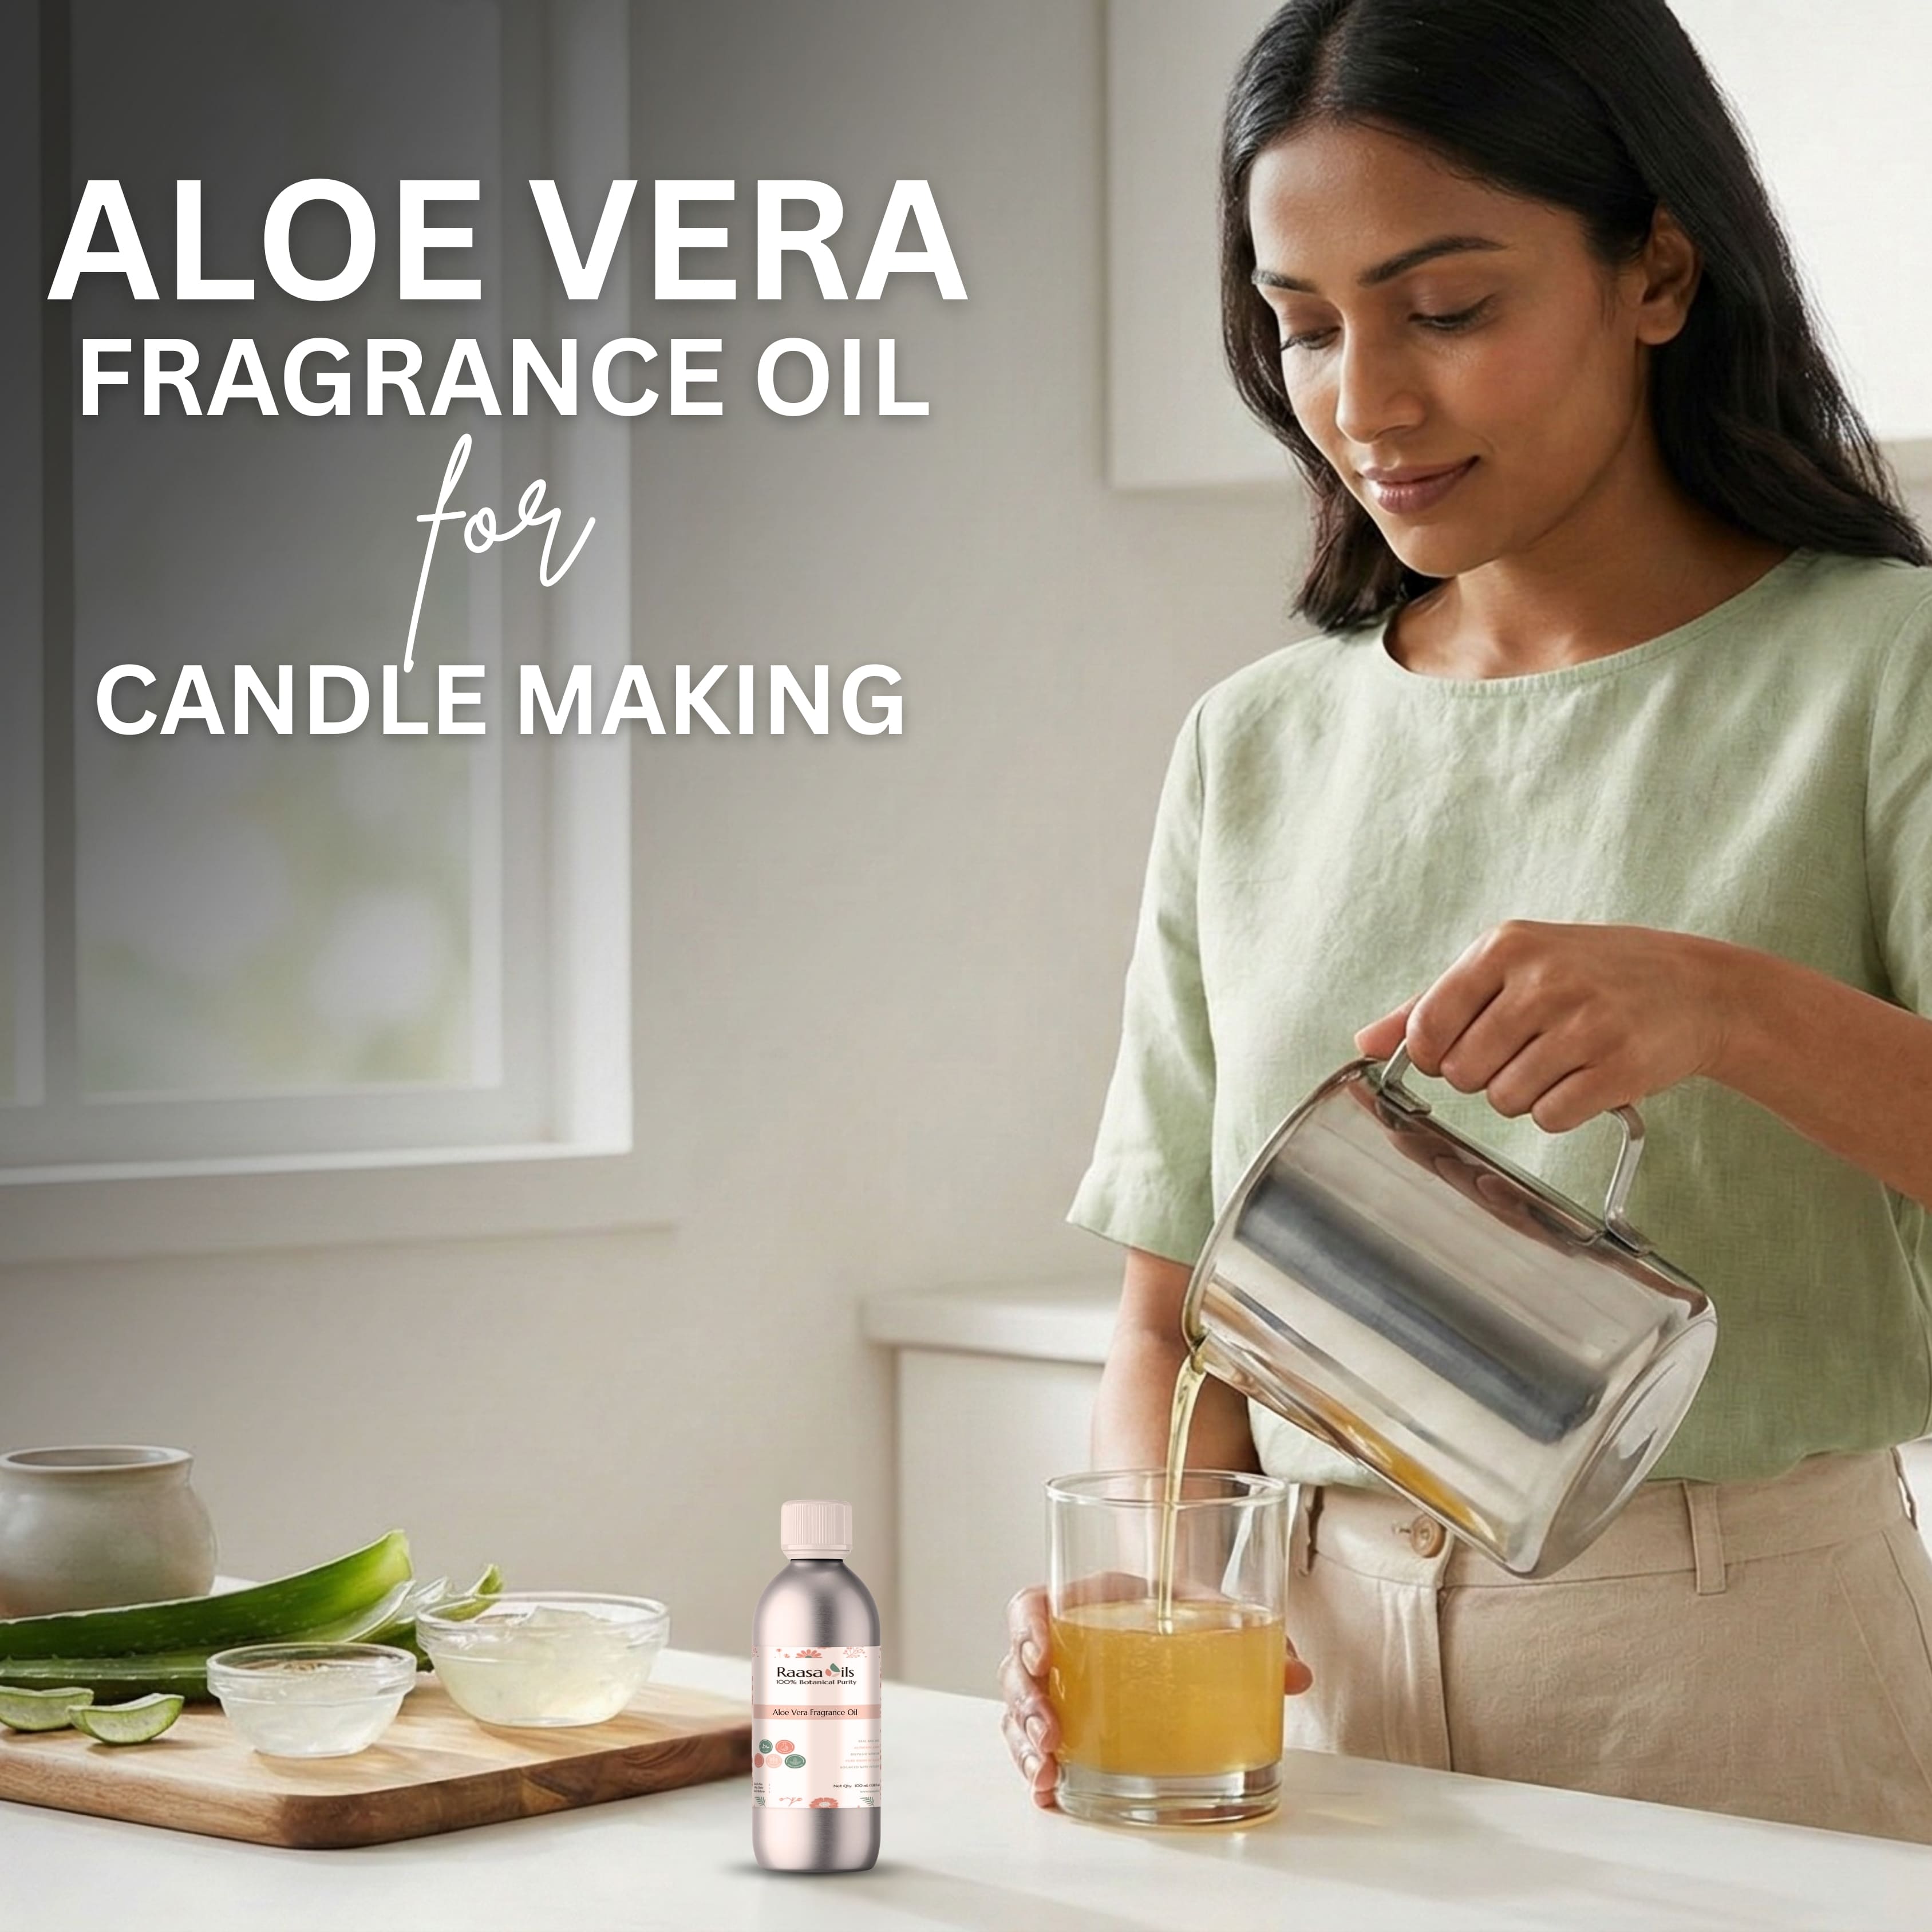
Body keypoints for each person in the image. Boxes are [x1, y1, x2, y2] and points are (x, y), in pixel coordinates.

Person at [999, 0, 1932, 1842]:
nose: (1366, 399)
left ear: (1656, 271)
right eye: (1305, 324)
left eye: (1447, 309)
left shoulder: (1882, 672)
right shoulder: (1252, 745)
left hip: (1728, 1664)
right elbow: (1174, 1311)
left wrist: (1726, 1010)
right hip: (1306, 1677)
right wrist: (1160, 1591)